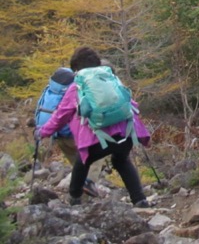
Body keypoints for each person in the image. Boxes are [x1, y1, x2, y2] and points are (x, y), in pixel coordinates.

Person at [35, 47, 152, 207]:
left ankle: (75, 200)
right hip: (126, 133)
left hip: (98, 139)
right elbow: (131, 104)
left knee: (82, 162)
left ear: (76, 68)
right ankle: (140, 200)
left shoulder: (77, 86)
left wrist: (42, 132)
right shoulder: (111, 79)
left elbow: (60, 116)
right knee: (121, 161)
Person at [34, 67, 101, 197]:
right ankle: (85, 195)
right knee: (94, 161)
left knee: (78, 167)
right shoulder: (73, 89)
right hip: (75, 136)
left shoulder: (50, 89)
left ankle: (76, 197)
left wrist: (41, 131)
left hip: (58, 136)